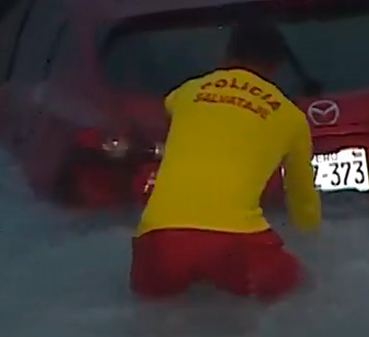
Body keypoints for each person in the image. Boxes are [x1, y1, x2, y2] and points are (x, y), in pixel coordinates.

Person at [131, 17, 321, 301]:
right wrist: (313, 241)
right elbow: (302, 198)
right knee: (305, 286)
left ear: (226, 54)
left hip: (159, 237)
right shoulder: (291, 117)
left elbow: (169, 106)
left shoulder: (187, 92)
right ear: (278, 65)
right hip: (238, 242)